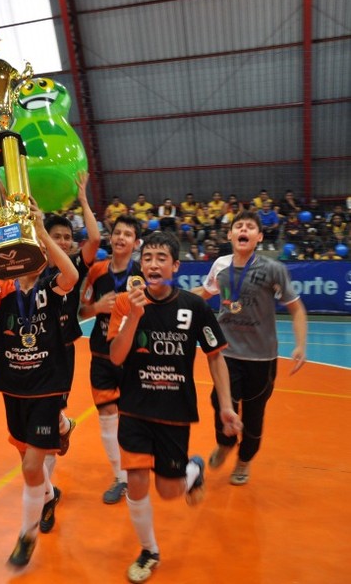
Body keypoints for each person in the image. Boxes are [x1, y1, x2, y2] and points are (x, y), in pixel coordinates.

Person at [107, 231, 241, 584]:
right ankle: (150, 550)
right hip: (134, 408)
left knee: (168, 491)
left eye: (161, 258)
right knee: (135, 482)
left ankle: (193, 470)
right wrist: (134, 316)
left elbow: (216, 358)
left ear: (175, 266)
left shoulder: (195, 307)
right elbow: (116, 357)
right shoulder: (126, 303)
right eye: (147, 257)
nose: (153, 263)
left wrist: (226, 406)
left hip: (174, 412)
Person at [0, 198, 78, 568]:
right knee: (26, 461)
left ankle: (26, 536)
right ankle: (50, 495)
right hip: (13, 388)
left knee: (31, 467)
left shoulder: (51, 287)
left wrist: (42, 230)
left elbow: (72, 277)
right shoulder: (5, 289)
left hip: (46, 387)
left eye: (37, 249)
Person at [193, 210, 307, 486]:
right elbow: (204, 294)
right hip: (226, 353)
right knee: (219, 403)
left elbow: (296, 308)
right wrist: (166, 296)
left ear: (259, 236)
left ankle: (244, 460)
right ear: (230, 234)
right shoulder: (220, 265)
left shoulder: (272, 269)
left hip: (261, 357)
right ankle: (225, 443)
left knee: (254, 415)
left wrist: (301, 345)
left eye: (249, 227)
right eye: (238, 226)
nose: (243, 229)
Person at [40, 172, 101, 482]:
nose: (64, 241)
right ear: (45, 238)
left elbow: (95, 239)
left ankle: (46, 495)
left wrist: (83, 199)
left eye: (67, 237)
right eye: (57, 236)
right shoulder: (34, 266)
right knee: (47, 412)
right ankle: (65, 426)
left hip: (63, 348)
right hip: (36, 350)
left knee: (49, 414)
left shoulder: (76, 264)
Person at [79, 213, 142, 504]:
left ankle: (138, 468)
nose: (121, 238)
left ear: (136, 242)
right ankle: (120, 478)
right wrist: (97, 308)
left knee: (133, 418)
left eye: (127, 234)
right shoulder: (97, 272)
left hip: (133, 358)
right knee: (107, 418)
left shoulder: (142, 273)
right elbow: (81, 311)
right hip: (101, 355)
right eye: (117, 232)